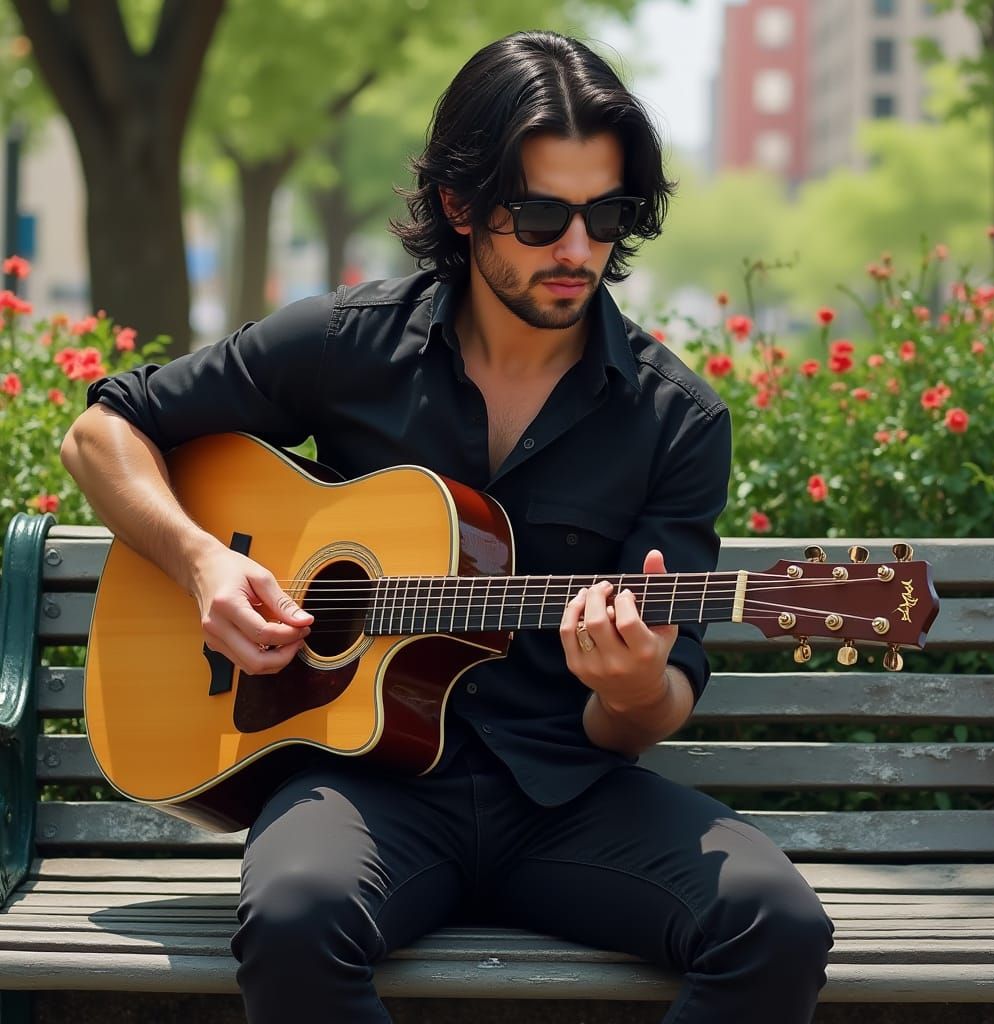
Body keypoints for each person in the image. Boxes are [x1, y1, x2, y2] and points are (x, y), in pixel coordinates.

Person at [61, 30, 833, 1024]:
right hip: (361, 791)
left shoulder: (674, 418)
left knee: (775, 924)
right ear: (462, 207)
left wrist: (633, 685)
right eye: (542, 213)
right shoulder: (346, 346)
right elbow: (102, 430)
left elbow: (647, 709)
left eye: (606, 215)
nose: (577, 248)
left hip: (567, 795)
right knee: (296, 916)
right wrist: (204, 561)